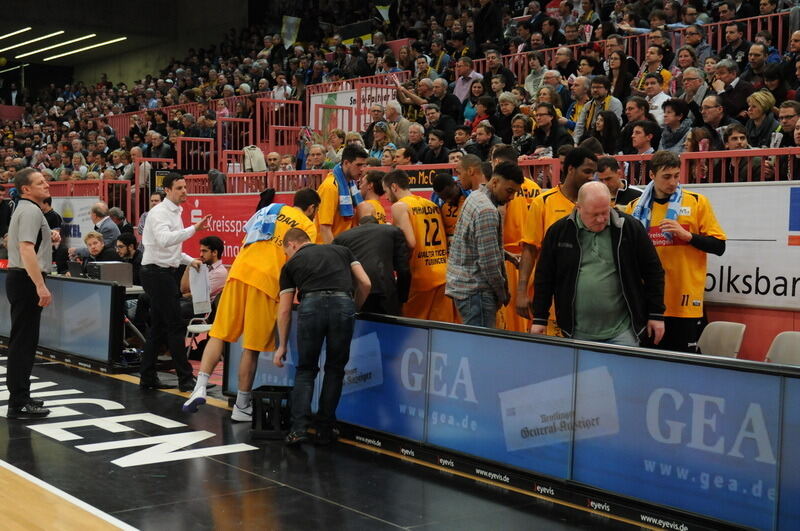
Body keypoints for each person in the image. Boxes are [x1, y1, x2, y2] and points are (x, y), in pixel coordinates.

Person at [183, 189, 320, 420]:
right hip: (266, 282)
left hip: (237, 273)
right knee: (251, 348)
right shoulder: (307, 225)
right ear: (313, 209)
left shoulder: (268, 209)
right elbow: (301, 260)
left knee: (218, 334)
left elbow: (249, 235)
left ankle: (200, 386)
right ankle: (242, 406)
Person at [531, 182, 665, 347]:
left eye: (605, 212)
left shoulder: (629, 228)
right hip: (577, 332)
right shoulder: (559, 232)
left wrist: (656, 314)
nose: (601, 219)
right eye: (594, 214)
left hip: (624, 331)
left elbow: (654, 272)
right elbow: (545, 277)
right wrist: (539, 318)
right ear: (578, 207)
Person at [274, 228, 371, 446]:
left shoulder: (290, 264)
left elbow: (284, 310)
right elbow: (366, 283)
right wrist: (353, 307)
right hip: (343, 304)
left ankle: (298, 430)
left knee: (306, 370)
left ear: (292, 245)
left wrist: (281, 346)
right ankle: (325, 428)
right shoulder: (342, 251)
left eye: (286, 251)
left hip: (311, 306)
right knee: (335, 369)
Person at [626, 151, 726, 352]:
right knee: (648, 364)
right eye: (666, 176)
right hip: (648, 302)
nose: (673, 182)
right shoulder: (635, 207)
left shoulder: (697, 202)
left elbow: (719, 246)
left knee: (682, 364)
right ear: (652, 176)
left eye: (676, 176)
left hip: (684, 301)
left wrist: (688, 236)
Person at [139, 173, 211, 391]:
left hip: (163, 272)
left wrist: (190, 261)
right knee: (175, 325)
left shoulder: (175, 212)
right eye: (179, 188)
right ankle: (186, 378)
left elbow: (171, 249)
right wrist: (194, 230)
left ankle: (148, 376)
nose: (184, 191)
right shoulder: (159, 213)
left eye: (185, 187)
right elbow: (164, 240)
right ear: (167, 191)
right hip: (156, 274)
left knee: (160, 327)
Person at [516, 147, 598, 328]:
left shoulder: (595, 204)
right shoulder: (543, 202)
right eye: (587, 171)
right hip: (550, 298)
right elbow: (529, 249)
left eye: (593, 172)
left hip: (588, 298)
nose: (591, 177)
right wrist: (521, 292)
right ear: (570, 169)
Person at [5, 168, 58, 418]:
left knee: (23, 340)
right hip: (25, 280)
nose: (46, 184)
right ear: (26, 189)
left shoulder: (25, 208)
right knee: (23, 342)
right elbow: (25, 249)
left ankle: (20, 394)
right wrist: (39, 285)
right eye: (40, 182)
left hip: (21, 278)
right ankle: (18, 400)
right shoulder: (30, 210)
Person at [446, 161, 523, 327]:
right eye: (509, 191)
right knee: (479, 348)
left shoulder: (474, 196)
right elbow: (488, 263)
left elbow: (475, 243)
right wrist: (503, 292)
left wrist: (508, 256)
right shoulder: (487, 210)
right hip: (477, 292)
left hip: (464, 287)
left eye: (515, 193)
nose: (511, 198)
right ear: (495, 182)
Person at [384, 169, 454, 322]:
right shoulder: (431, 204)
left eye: (386, 191)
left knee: (413, 331)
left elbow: (410, 242)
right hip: (443, 271)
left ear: (394, 187)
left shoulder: (399, 206)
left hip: (420, 276)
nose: (387, 197)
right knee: (440, 328)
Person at [333, 216, 410, 316]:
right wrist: (402, 299)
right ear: (377, 223)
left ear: (358, 225)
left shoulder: (342, 237)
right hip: (385, 290)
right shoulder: (392, 231)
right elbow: (403, 270)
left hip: (356, 292)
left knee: (358, 328)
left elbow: (335, 269)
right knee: (389, 328)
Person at [314, 145, 369, 243]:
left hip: (344, 245)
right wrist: (336, 255)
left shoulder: (350, 184)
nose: (362, 169)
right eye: (358, 165)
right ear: (346, 163)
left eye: (364, 165)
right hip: (328, 250)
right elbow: (325, 229)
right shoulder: (330, 187)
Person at [179, 236, 227, 317]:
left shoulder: (220, 272)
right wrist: (188, 268)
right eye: (200, 251)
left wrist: (186, 295)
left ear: (214, 253)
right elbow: (184, 290)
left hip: (205, 310)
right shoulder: (201, 267)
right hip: (193, 304)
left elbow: (200, 296)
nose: (201, 255)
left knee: (176, 309)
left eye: (204, 251)